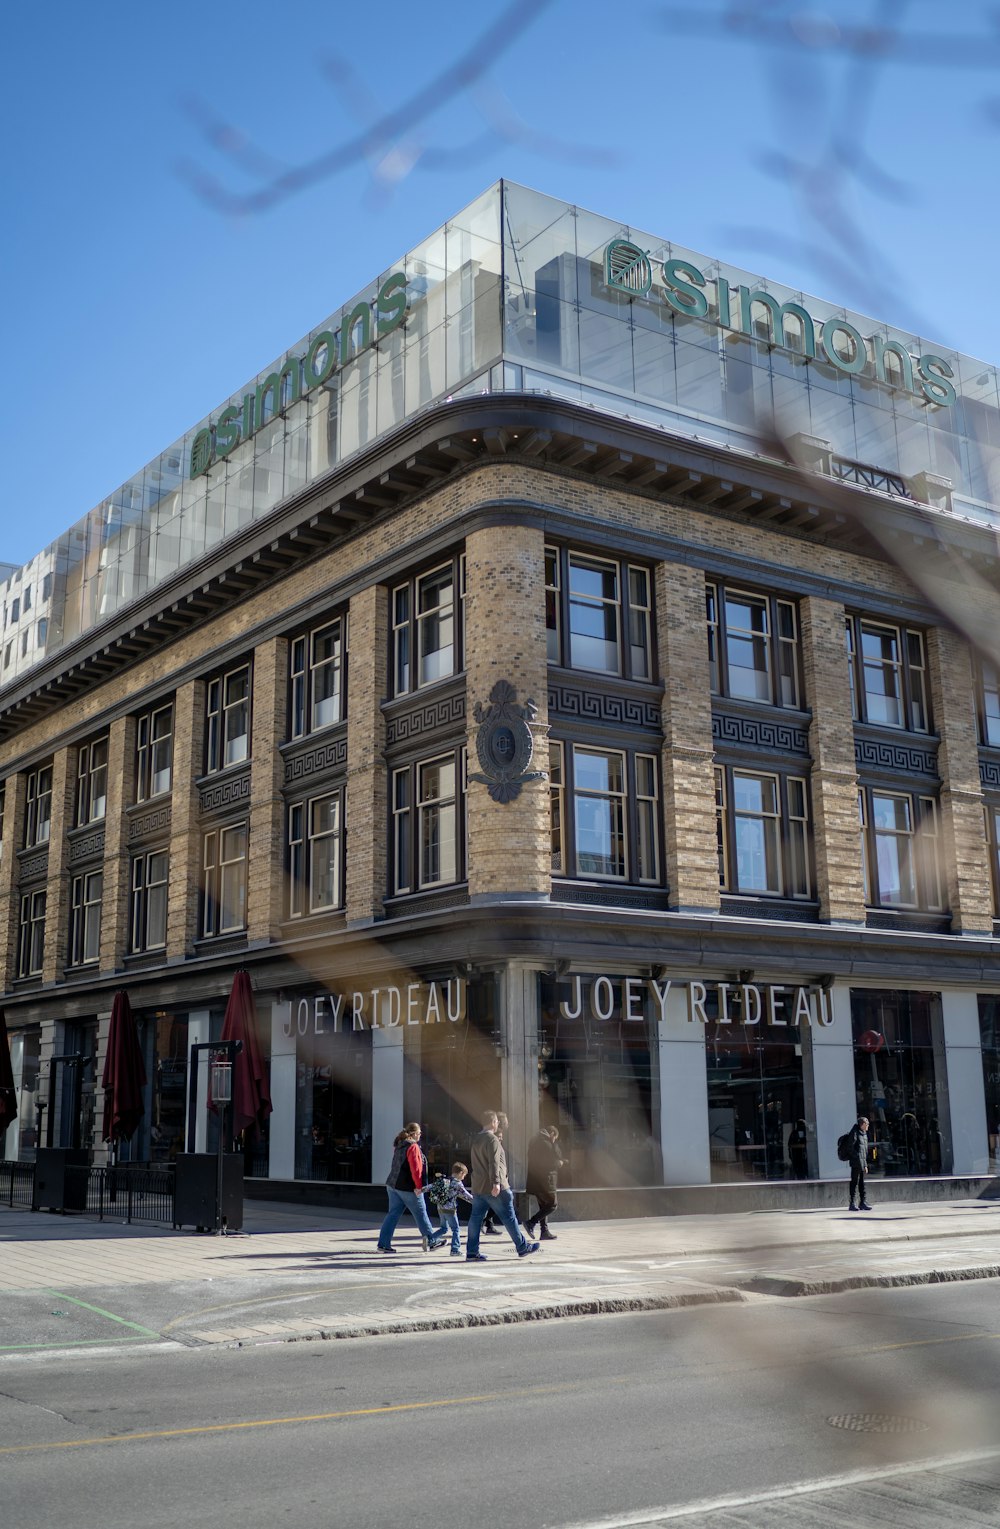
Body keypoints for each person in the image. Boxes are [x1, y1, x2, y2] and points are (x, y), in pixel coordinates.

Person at [465, 1110, 539, 1262]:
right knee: (509, 1218)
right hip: (494, 1187)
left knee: (475, 1219)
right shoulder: (492, 1139)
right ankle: (522, 1247)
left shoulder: (476, 1139)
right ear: (493, 1122)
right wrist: (496, 1182)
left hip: (478, 1186)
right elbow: (494, 1163)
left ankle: (472, 1252)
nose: (498, 1124)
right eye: (497, 1122)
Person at [377, 1122, 448, 1253]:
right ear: (414, 1133)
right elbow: (416, 1170)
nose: (420, 1135)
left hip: (393, 1185)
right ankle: (431, 1242)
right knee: (421, 1214)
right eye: (420, 1133)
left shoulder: (399, 1144)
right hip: (408, 1188)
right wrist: (419, 1187)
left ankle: (383, 1244)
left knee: (392, 1215)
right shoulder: (413, 1146)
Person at [524, 1125, 563, 1240]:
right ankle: (531, 1222)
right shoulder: (547, 1143)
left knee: (543, 1206)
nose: (554, 1140)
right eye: (555, 1138)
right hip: (546, 1180)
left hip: (535, 1180)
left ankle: (544, 1231)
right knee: (552, 1204)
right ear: (552, 1134)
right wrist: (558, 1163)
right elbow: (552, 1159)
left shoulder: (534, 1141)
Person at [428, 1161, 474, 1256]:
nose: (464, 1177)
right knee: (456, 1229)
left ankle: (430, 1239)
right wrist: (477, 1203)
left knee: (444, 1228)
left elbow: (432, 1186)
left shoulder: (445, 1180)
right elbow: (466, 1196)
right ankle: (455, 1249)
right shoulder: (457, 1183)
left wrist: (420, 1190)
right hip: (450, 1210)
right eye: (464, 1175)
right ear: (461, 1173)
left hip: (440, 1208)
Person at [480, 1111, 509, 1235]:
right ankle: (485, 1221)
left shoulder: (491, 1135)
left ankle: (488, 1223)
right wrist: (498, 1179)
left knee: (492, 1200)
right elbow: (495, 1160)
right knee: (502, 1201)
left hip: (495, 1175)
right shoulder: (494, 1136)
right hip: (497, 1176)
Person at [847, 1114, 873, 1211]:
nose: (868, 1126)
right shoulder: (854, 1133)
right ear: (862, 1124)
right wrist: (857, 1158)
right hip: (855, 1163)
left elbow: (864, 1151)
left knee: (862, 1183)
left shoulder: (864, 1134)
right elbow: (850, 1148)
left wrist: (865, 1164)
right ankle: (852, 1203)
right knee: (854, 1183)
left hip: (862, 1163)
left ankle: (863, 1202)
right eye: (867, 1124)